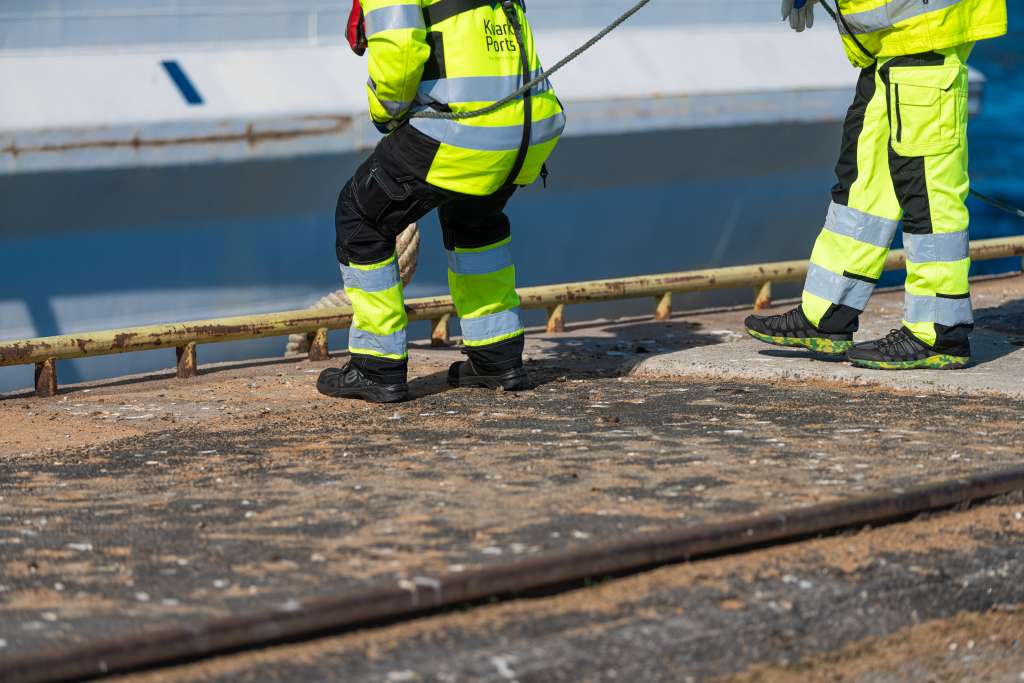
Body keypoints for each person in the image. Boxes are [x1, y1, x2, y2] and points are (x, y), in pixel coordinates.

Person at [318, 0, 565, 403]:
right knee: (474, 218)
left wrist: (386, 114)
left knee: (360, 214)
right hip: (527, 127)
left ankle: (375, 366)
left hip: (463, 128)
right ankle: (497, 358)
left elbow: (399, 50)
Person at [746, 0, 1007, 369]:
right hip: (892, 40)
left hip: (924, 29)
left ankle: (938, 330)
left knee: (928, 188)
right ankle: (829, 313)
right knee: (863, 180)